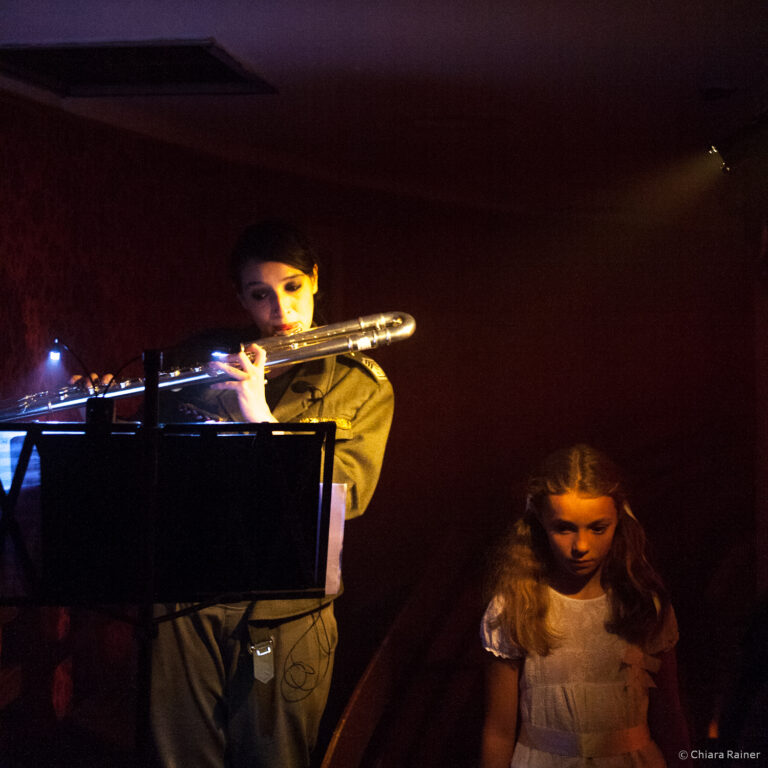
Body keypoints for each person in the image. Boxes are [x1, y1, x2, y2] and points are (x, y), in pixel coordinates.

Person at [149, 219, 394, 768]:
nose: (280, 311)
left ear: (313, 282)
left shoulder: (360, 382)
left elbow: (348, 498)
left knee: (269, 752)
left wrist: (259, 418)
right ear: (242, 298)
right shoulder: (204, 364)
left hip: (280, 614)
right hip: (188, 601)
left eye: (292, 289)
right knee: (180, 755)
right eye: (260, 295)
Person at [480, 444, 689, 768]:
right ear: (540, 521)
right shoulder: (517, 605)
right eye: (564, 528)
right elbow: (499, 731)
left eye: (597, 528)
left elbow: (670, 718)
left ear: (619, 520)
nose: (581, 546)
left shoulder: (643, 604)